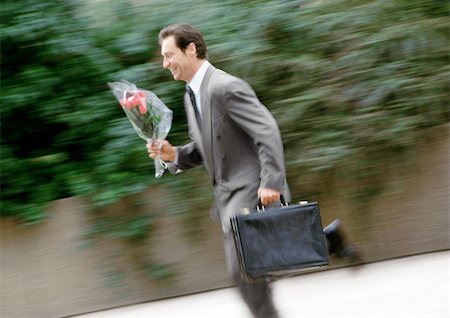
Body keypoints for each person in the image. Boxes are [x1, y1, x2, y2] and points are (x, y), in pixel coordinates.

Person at [147, 23, 360, 318]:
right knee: (258, 267)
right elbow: (208, 147)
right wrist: (174, 155)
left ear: (191, 49)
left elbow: (266, 129)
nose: (165, 63)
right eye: (163, 57)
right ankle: (326, 239)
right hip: (227, 195)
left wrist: (271, 180)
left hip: (251, 188)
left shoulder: (224, 86)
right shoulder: (191, 95)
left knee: (244, 271)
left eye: (169, 55)